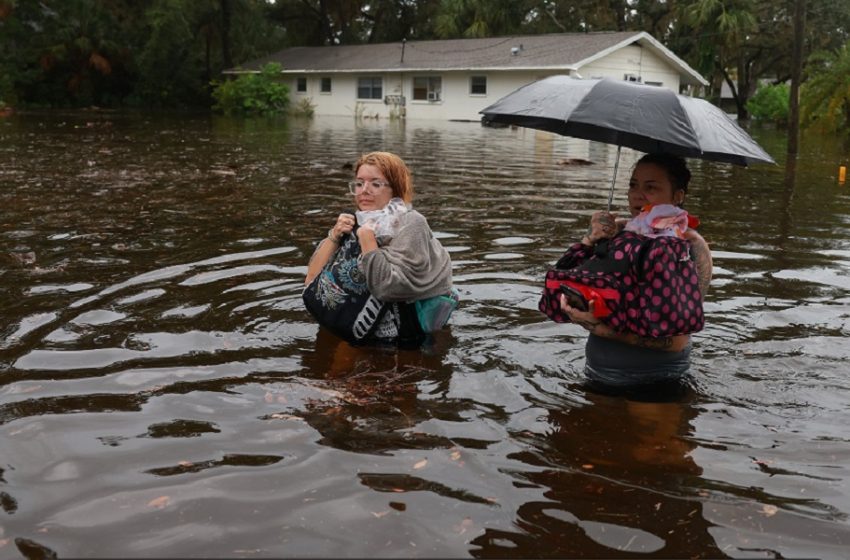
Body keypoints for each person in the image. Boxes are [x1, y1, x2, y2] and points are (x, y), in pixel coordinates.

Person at [543, 153, 712, 392]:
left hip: (656, 381)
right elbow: (568, 280)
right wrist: (590, 240)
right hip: (597, 373)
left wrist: (599, 329)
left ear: (677, 196)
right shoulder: (617, 231)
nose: (637, 194)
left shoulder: (689, 245)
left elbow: (676, 341)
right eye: (633, 185)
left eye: (650, 187)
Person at [303, 151, 455, 348]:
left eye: (375, 184)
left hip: (404, 339)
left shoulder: (411, 223)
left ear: (395, 189)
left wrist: (367, 240)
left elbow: (389, 287)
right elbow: (312, 281)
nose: (364, 190)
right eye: (359, 183)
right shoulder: (356, 220)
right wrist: (334, 235)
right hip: (355, 326)